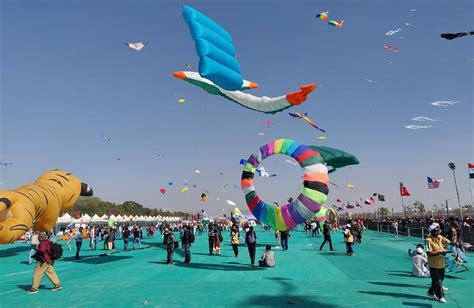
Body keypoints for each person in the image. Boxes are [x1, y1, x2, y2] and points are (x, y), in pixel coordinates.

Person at [426, 222, 451, 303]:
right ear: (431, 231)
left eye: (438, 230)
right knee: (437, 281)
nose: (438, 232)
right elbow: (429, 253)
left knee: (441, 278)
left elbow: (449, 242)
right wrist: (440, 252)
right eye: (435, 231)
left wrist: (454, 243)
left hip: (441, 263)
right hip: (433, 264)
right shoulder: (428, 240)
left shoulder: (440, 237)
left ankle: (430, 291)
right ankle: (440, 296)